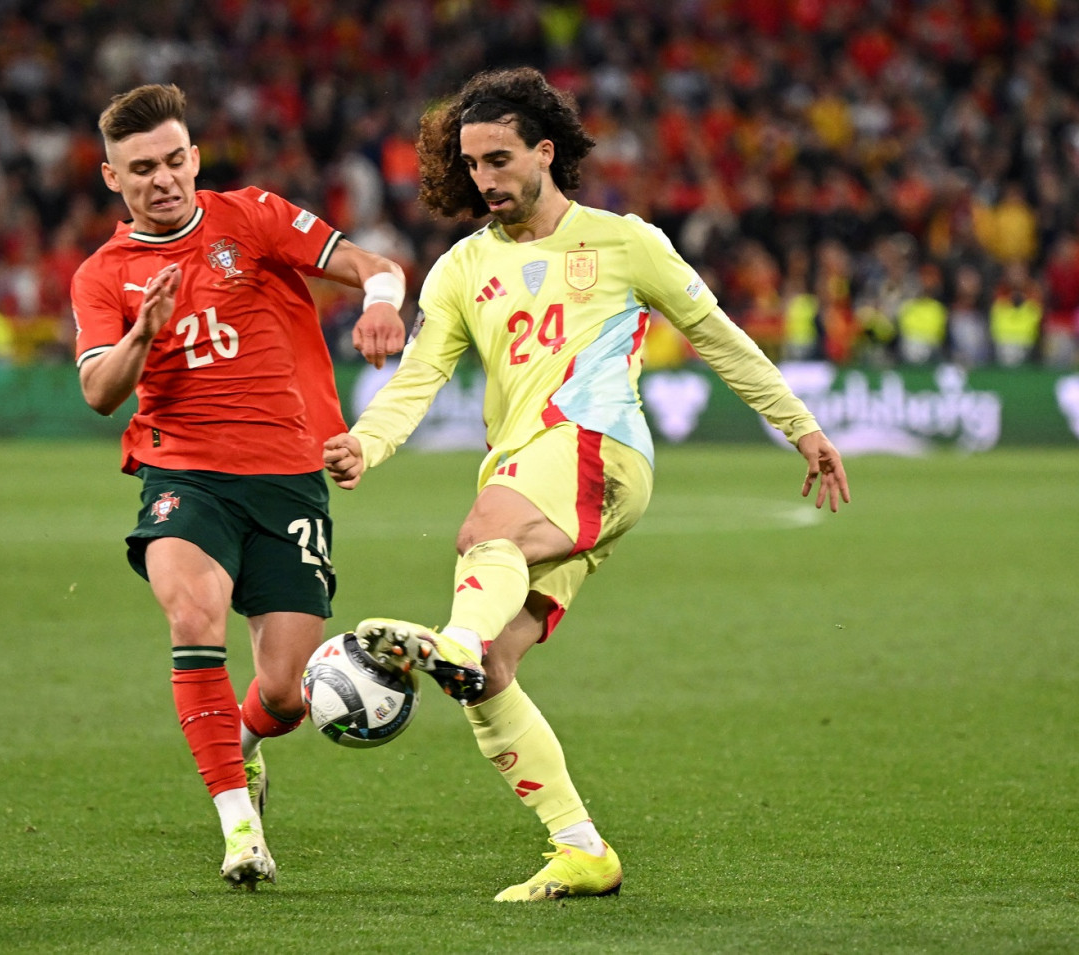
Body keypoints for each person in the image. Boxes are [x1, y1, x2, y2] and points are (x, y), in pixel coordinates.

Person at [323, 67, 850, 902]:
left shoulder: (624, 241)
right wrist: (364, 443)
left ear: (545, 151)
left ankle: (451, 640)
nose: (484, 179)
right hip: (531, 463)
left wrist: (802, 424)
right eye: (471, 164)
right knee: (493, 666)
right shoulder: (461, 270)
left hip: (598, 445)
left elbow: (717, 335)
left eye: (499, 159)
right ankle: (580, 847)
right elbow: (418, 379)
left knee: (478, 539)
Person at [71, 84, 406, 889]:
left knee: (286, 694)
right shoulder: (103, 275)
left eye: (175, 159)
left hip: (289, 480)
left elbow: (373, 265)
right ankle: (239, 829)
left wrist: (384, 304)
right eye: (141, 168)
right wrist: (143, 335)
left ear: (194, 156)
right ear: (112, 178)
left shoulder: (250, 216)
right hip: (183, 472)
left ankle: (244, 747)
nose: (163, 178)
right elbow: (97, 391)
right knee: (194, 612)